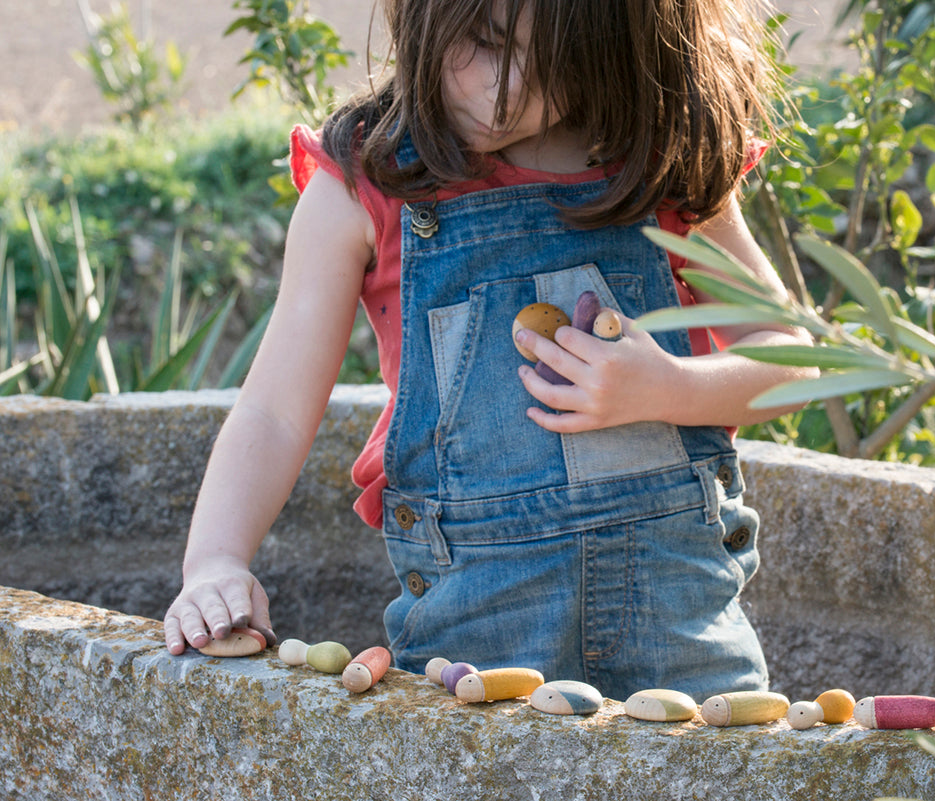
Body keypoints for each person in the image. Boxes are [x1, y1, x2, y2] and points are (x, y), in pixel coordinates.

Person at [163, 0, 816, 700]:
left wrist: (667, 387)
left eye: (550, 66)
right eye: (482, 42)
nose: (501, 94)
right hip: (475, 662)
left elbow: (793, 363)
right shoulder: (366, 187)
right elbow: (273, 411)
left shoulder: (663, 167)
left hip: (687, 651)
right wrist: (215, 561)